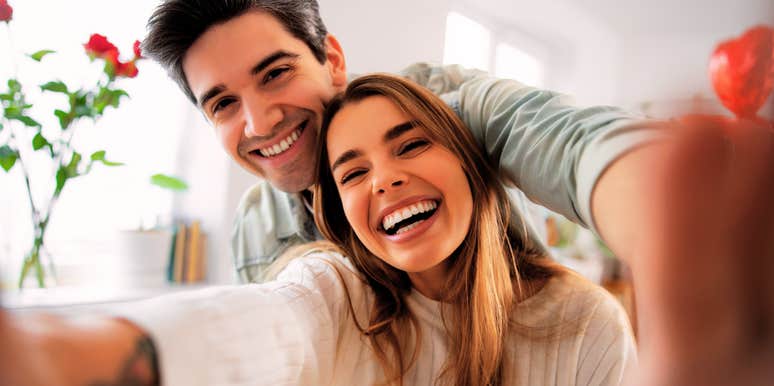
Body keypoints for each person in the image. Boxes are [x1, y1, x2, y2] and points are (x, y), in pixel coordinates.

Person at [139, 0, 658, 283]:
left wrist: (670, 226)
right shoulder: (255, 229)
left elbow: (572, 145)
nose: (259, 122)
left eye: (275, 72)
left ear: (333, 60)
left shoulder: (442, 107)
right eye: (223, 104)